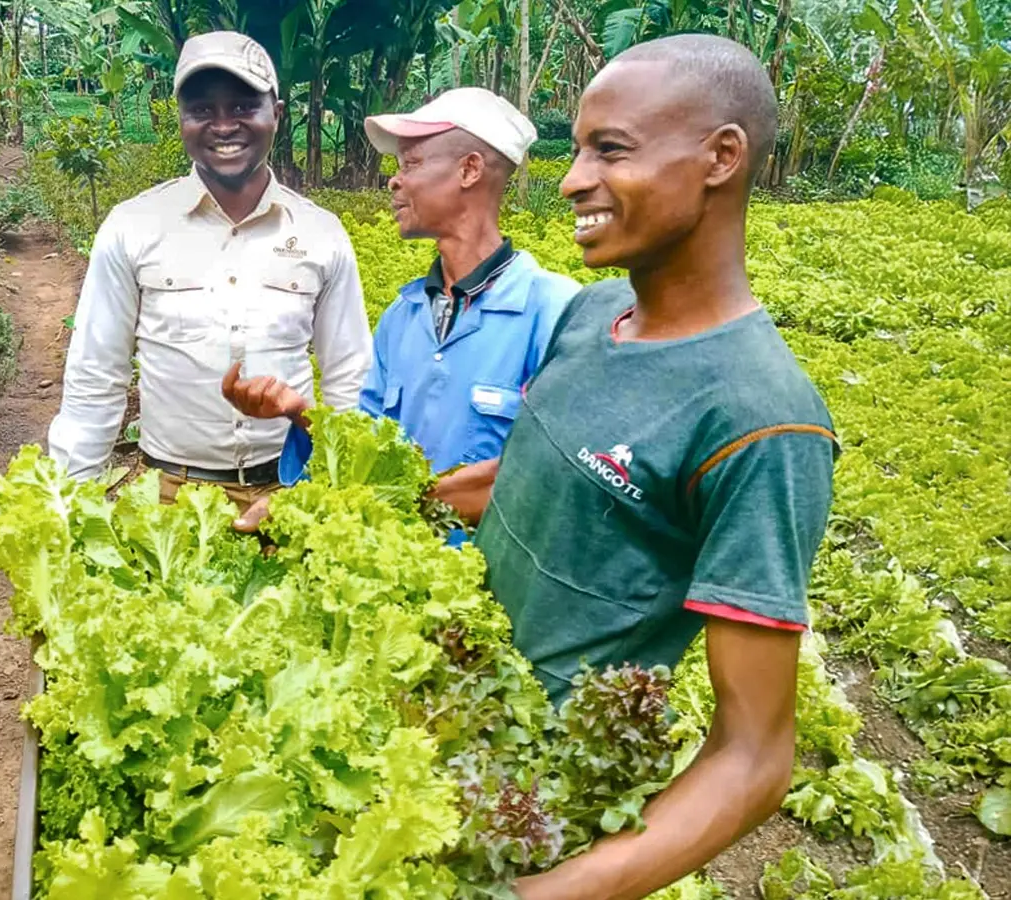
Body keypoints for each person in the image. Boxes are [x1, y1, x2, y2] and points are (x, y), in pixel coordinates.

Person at [471, 36, 839, 899]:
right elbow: (543, 478)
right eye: (575, 149)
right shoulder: (594, 313)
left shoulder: (760, 419)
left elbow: (754, 756)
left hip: (534, 805)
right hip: (447, 714)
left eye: (610, 149)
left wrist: (553, 893)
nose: (569, 179)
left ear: (721, 158)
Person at [222, 88, 579, 530]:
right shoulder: (404, 315)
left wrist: (384, 502)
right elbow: (368, 454)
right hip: (408, 581)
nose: (394, 180)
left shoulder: (555, 313)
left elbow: (549, 475)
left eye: (411, 164)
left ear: (470, 169)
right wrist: (300, 414)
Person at [47, 32, 371, 510]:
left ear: (276, 115)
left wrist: (343, 493)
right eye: (202, 110)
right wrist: (73, 503)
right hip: (169, 498)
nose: (224, 126)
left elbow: (350, 376)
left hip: (289, 493)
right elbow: (97, 375)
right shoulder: (132, 227)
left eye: (243, 107)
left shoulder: (322, 233)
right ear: (181, 119)